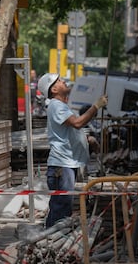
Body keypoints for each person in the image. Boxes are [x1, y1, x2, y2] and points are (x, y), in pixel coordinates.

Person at [37, 73, 108, 228]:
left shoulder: (61, 106)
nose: (64, 82)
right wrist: (95, 106)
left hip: (66, 165)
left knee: (62, 209)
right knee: (61, 209)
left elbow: (71, 131)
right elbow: (77, 123)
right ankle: (49, 243)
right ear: (54, 89)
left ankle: (50, 241)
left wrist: (87, 141)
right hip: (62, 165)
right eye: (60, 81)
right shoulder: (56, 105)